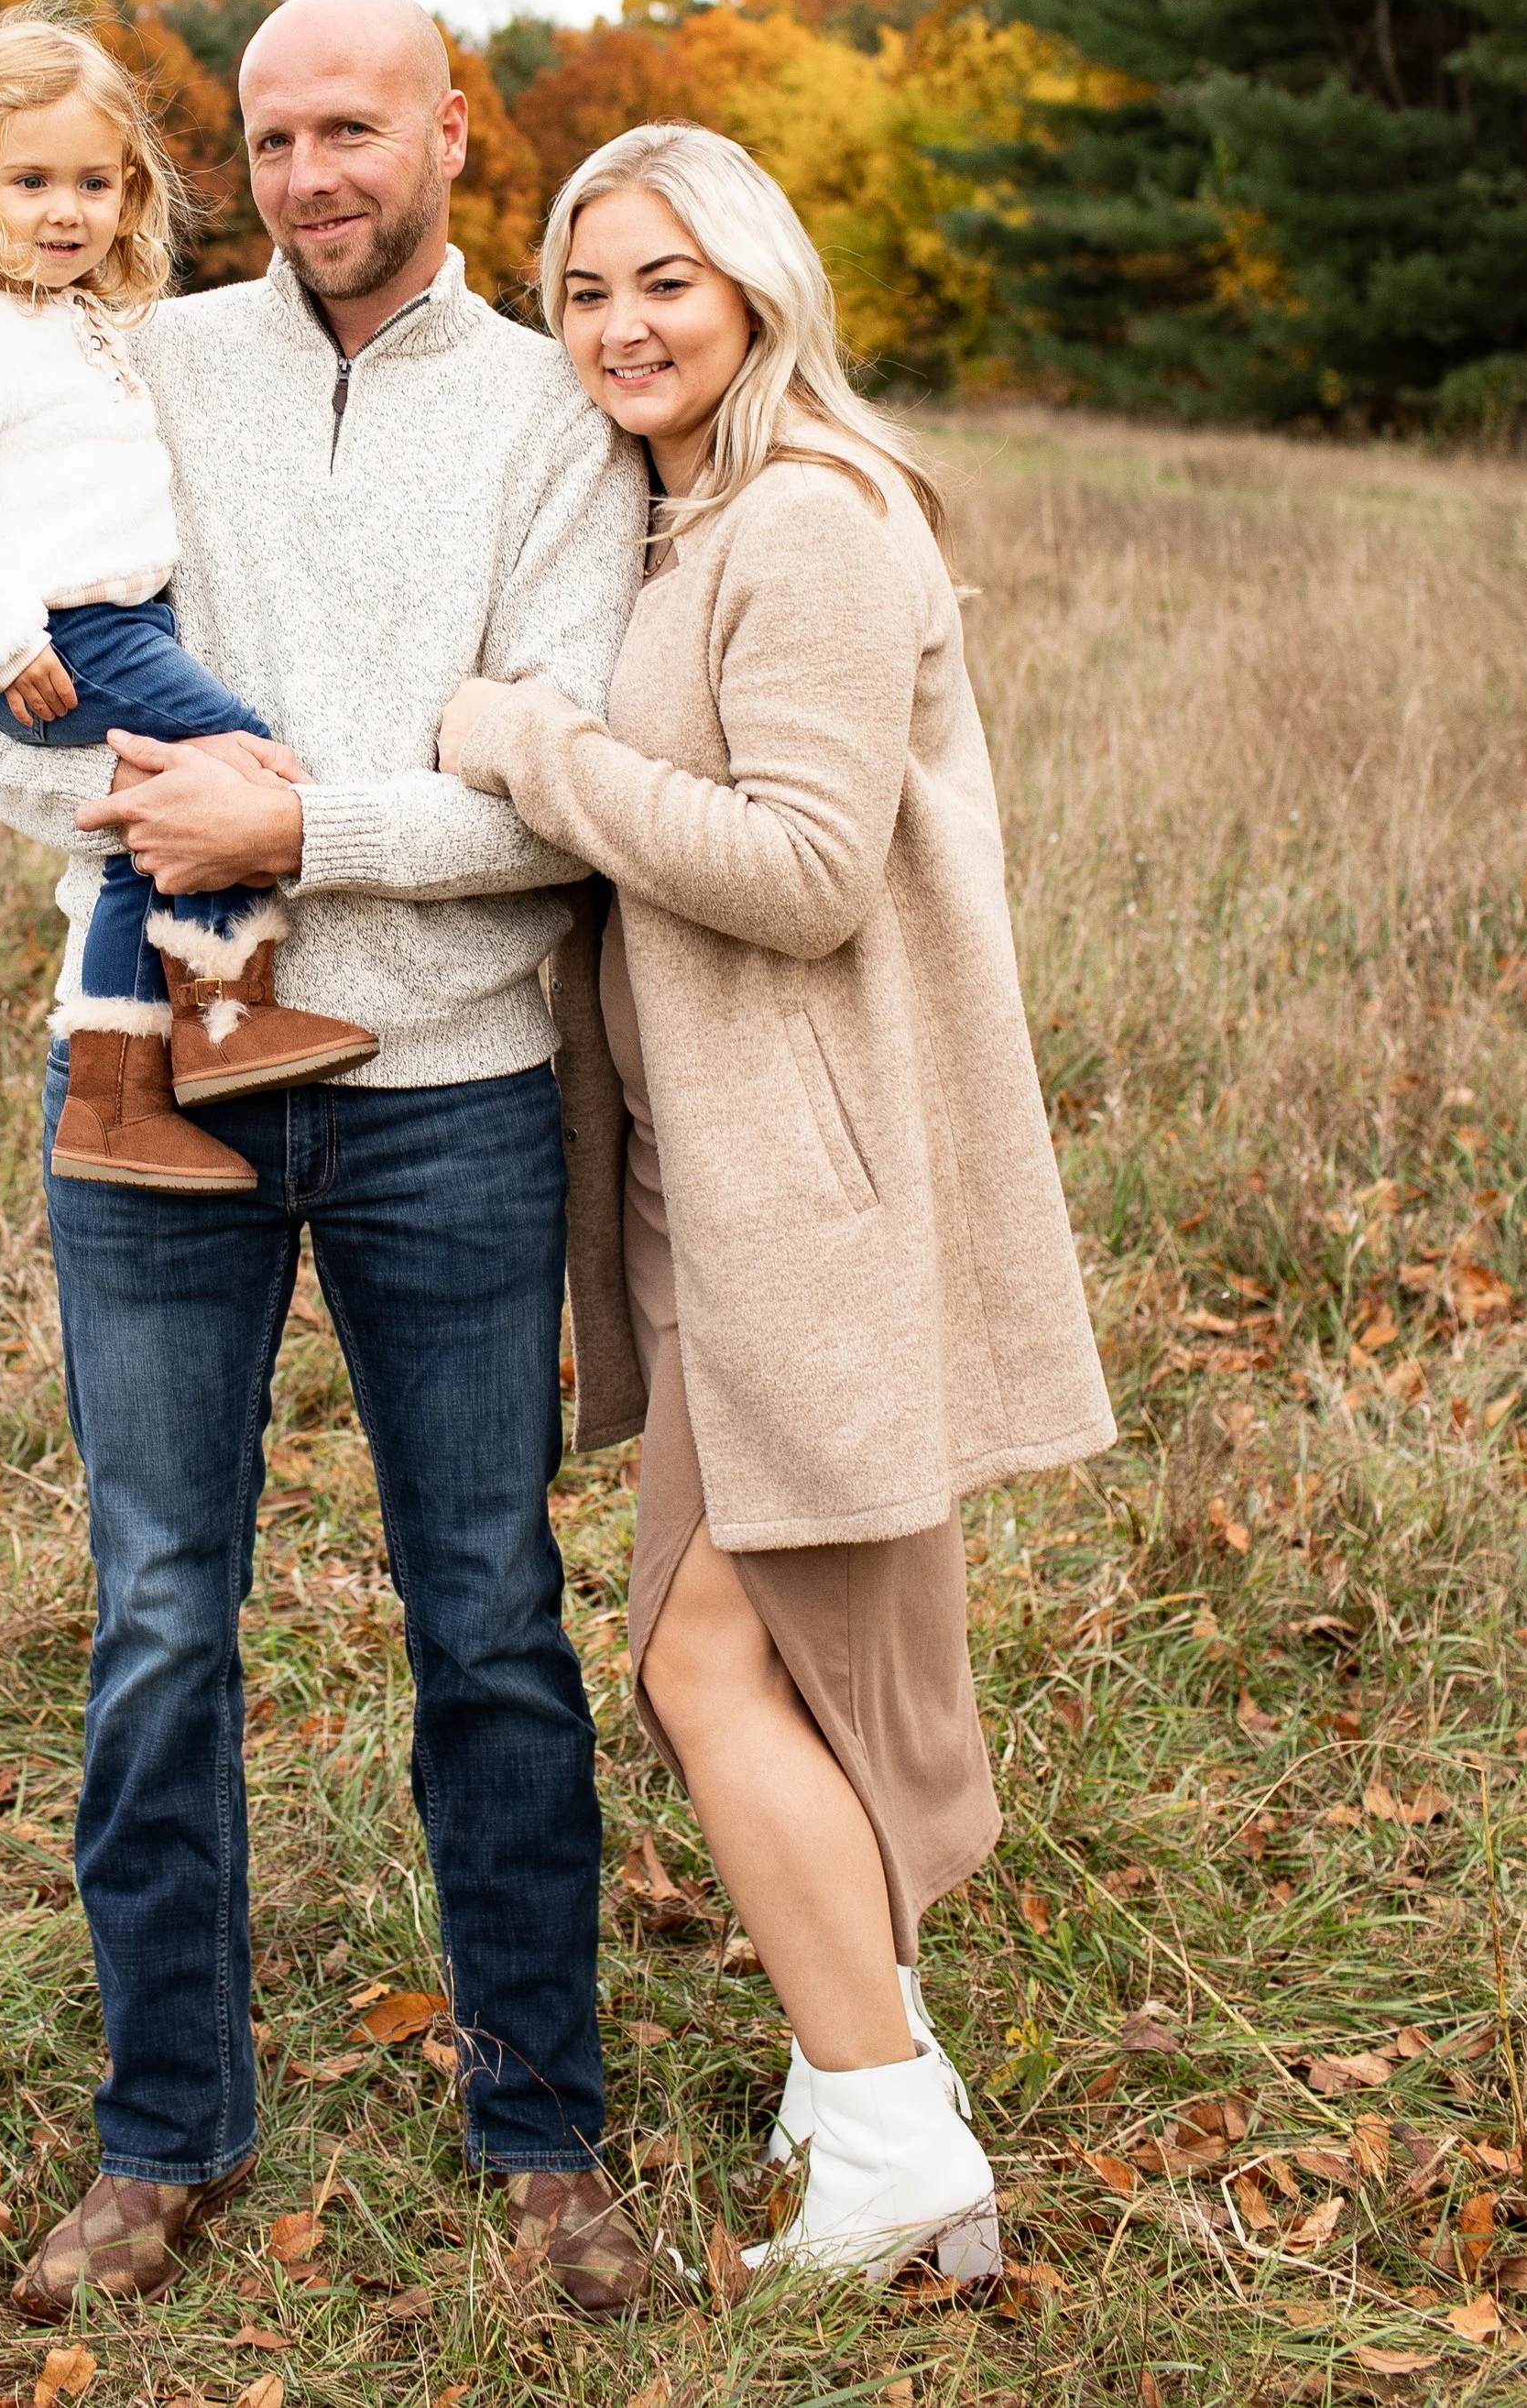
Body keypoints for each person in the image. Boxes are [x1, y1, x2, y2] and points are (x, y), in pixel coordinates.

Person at [0, 0, 655, 2319]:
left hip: (445, 1097)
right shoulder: (134, 356)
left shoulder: (559, 419)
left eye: (352, 126)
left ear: (449, 129)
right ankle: (160, 2138)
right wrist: (175, 817)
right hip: (145, 1067)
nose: (310, 172)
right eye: (268, 135)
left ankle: (543, 2129)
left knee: (491, 1624)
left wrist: (298, 820)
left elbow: (557, 797)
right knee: (157, 1620)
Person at [437, 124, 1117, 2285]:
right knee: (753, 1653)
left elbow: (806, 875)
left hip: (807, 1191)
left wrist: (524, 746)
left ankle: (898, 2138)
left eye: (663, 282)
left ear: (752, 287)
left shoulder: (807, 521)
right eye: (581, 292)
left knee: (706, 1651)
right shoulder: (685, 517)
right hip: (721, 1186)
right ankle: (862, 2083)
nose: (620, 327)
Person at [0, 0, 377, 1195]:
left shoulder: (83, 319)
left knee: (160, 819)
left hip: (125, 622)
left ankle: (141, 1073)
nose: (66, 210)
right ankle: (203, 1029)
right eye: (31, 178)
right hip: (60, 634)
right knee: (243, 766)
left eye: (95, 183)